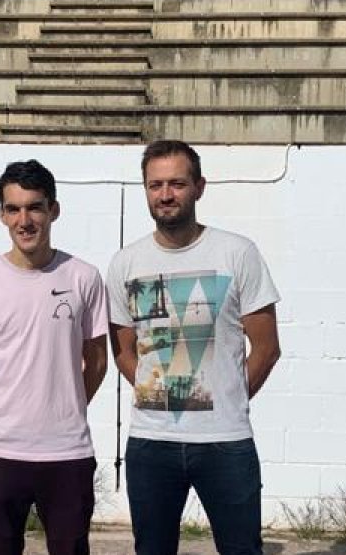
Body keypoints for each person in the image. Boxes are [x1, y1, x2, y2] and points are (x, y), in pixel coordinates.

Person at [106, 140, 281, 555]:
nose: (166, 194)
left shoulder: (237, 253)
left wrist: (230, 398)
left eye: (177, 183)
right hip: (150, 444)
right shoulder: (125, 263)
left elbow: (267, 347)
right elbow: (123, 351)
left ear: (199, 187)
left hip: (226, 442)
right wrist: (162, 392)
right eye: (156, 185)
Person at [0, 160, 109, 555]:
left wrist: (64, 403)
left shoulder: (84, 277)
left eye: (35, 207)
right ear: (2, 215)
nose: (24, 220)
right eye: (13, 208)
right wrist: (12, 397)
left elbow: (97, 360)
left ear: (53, 210)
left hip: (68, 453)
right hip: (1, 450)